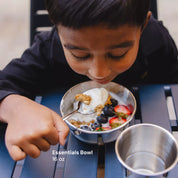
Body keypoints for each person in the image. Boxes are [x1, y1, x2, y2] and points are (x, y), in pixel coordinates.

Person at [0, 0, 177, 161]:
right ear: (59, 30)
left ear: (143, 26)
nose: (99, 73)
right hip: (67, 152)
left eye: (117, 54)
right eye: (80, 55)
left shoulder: (156, 41)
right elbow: (5, 83)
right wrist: (16, 108)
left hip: (138, 144)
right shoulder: (49, 49)